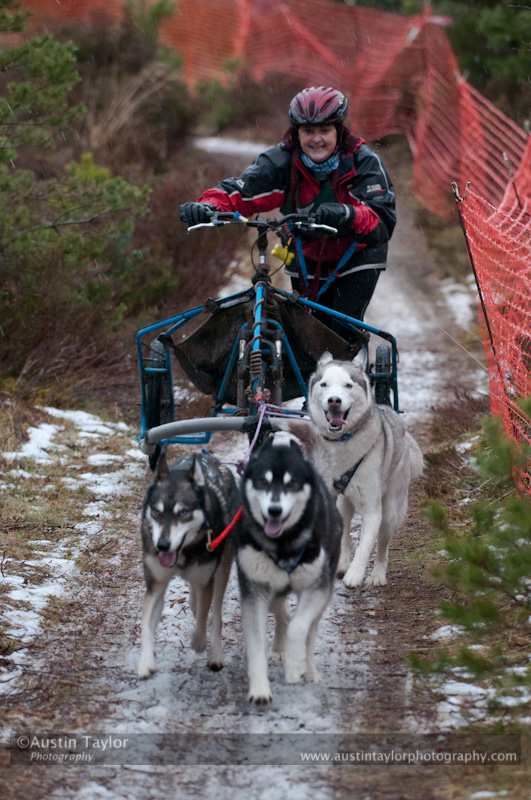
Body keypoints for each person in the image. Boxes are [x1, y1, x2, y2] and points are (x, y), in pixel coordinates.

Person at [180, 86, 396, 342]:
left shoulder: (363, 162)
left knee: (340, 331)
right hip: (306, 253)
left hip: (357, 254)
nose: (316, 139)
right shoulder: (281, 161)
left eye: (324, 130)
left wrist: (346, 214)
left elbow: (382, 221)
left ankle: (349, 376)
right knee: (306, 333)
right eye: (308, 131)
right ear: (297, 132)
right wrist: (209, 207)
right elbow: (240, 190)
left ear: (339, 131)